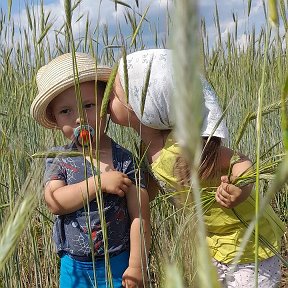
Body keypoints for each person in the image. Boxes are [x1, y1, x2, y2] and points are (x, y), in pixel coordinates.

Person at [108, 49, 286, 287]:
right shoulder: (145, 147)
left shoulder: (185, 146)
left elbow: (241, 161)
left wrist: (239, 188)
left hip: (249, 243)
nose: (107, 98)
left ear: (146, 106)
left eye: (115, 95)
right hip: (213, 244)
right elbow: (152, 188)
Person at [30, 52, 151, 288]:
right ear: (55, 119)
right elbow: (55, 202)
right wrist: (99, 182)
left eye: (88, 106)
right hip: (74, 268)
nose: (79, 118)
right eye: (66, 111)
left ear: (105, 107)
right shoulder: (58, 159)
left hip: (118, 264)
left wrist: (137, 265)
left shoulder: (124, 160)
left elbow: (140, 216)